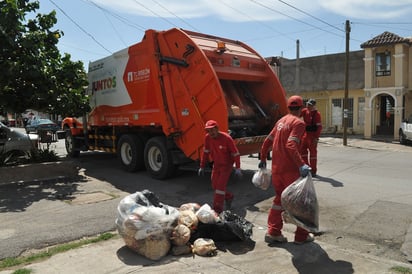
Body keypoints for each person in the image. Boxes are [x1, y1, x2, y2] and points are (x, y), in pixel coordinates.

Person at [258, 95, 313, 245]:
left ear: (288, 108)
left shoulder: (280, 121)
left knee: (279, 201)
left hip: (277, 171)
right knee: (300, 203)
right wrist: (301, 164)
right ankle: (301, 237)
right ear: (301, 109)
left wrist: (263, 159)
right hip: (291, 171)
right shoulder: (298, 123)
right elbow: (291, 144)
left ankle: (274, 232)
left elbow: (267, 141)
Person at [198, 120, 242, 213]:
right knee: (215, 186)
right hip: (216, 165)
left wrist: (238, 168)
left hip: (226, 166)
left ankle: (217, 210)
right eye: (208, 131)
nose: (210, 133)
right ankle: (229, 197)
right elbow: (205, 153)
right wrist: (202, 166)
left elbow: (236, 154)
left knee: (220, 188)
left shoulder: (227, 138)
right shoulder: (207, 138)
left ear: (217, 129)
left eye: (212, 130)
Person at [300, 98, 322, 177]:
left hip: (312, 136)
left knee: (313, 154)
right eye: (307, 104)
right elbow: (296, 114)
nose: (308, 106)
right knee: (302, 152)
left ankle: (313, 171)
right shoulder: (305, 111)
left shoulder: (317, 114)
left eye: (310, 105)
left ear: (313, 106)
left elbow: (319, 127)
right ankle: (307, 168)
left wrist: (316, 138)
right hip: (305, 135)